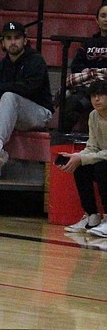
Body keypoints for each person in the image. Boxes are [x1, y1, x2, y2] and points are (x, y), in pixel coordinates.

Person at [0, 21, 54, 179]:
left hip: (39, 113)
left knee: (9, 95)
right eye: (9, 38)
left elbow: (30, 88)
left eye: (17, 37)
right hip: (12, 113)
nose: (13, 42)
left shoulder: (36, 60)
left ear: (25, 40)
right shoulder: (0, 67)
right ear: (3, 42)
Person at [61, 79, 107, 235]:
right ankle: (92, 216)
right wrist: (76, 156)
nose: (96, 99)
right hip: (103, 158)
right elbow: (92, 147)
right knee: (80, 167)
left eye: (101, 95)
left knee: (102, 168)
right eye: (93, 95)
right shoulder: (94, 115)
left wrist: (83, 158)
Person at [60, 3, 107, 133]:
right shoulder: (88, 43)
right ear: (97, 20)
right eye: (103, 16)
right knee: (72, 105)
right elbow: (76, 65)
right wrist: (92, 73)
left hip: (105, 85)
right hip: (88, 87)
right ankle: (63, 141)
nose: (106, 19)